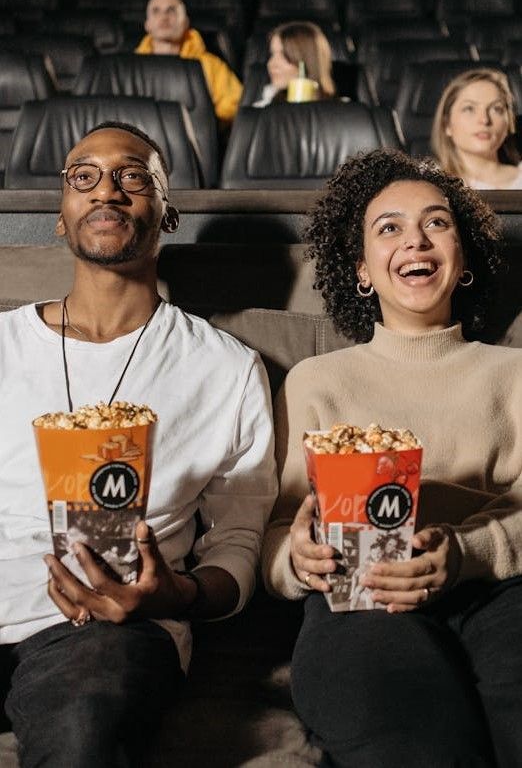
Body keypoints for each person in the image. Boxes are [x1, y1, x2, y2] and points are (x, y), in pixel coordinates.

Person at [0, 121, 277, 766]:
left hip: (108, 630)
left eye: (133, 175)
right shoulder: (4, 346)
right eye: (84, 176)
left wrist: (173, 595)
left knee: (82, 732)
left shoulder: (225, 370)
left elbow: (239, 543)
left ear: (168, 212)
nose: (107, 191)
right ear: (62, 218)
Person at [262, 148, 522, 767]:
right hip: (361, 598)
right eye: (390, 228)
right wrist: (296, 562)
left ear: (462, 262)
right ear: (361, 269)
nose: (417, 240)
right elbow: (274, 538)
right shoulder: (314, 381)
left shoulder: (515, 374)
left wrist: (465, 554)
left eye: (437, 222)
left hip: (503, 591)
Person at [135, 0, 243, 124]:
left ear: (185, 22)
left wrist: (206, 122)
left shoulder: (210, 65)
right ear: (147, 24)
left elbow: (235, 104)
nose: (164, 17)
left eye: (171, 10)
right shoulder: (131, 67)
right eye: (156, 11)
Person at [431, 67, 522, 189]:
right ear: (446, 124)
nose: (484, 120)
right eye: (469, 109)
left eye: (496, 109)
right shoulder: (429, 183)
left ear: (509, 122)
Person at [252, 21, 336, 107]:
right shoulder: (260, 111)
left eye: (285, 55)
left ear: (308, 61)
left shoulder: (342, 112)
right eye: (272, 54)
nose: (271, 64)